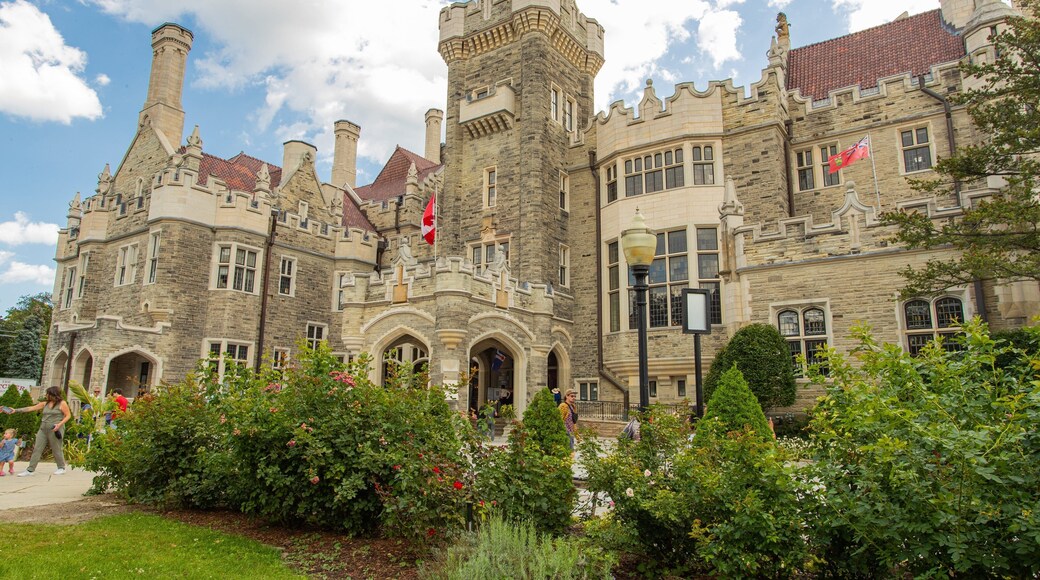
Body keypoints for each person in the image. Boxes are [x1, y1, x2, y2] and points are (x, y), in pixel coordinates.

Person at [5, 387, 71, 476]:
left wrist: (59, 424)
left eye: (47, 393)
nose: (46, 395)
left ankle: (61, 468)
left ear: (53, 394)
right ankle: (30, 470)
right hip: (43, 429)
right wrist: (15, 410)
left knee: (56, 448)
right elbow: (31, 408)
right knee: (37, 448)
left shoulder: (62, 403)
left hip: (55, 429)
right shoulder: (45, 404)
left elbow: (68, 415)